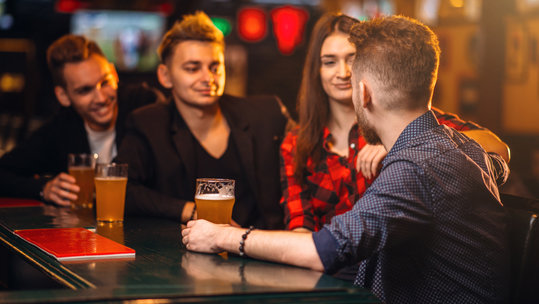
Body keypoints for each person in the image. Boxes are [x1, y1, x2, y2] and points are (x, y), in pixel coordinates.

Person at [182, 15, 510, 303]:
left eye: (351, 69)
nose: (342, 76)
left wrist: (221, 236)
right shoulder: (453, 144)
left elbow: (325, 250)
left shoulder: (413, 167)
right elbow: (496, 163)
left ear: (363, 93)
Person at [281, 13, 510, 232]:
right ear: (316, 71)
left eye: (352, 59)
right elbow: (299, 225)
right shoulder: (295, 143)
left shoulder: (405, 116)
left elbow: (498, 148)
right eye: (329, 62)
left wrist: (406, 140)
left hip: (391, 266)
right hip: (323, 260)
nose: (342, 72)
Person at [115, 11, 291, 228]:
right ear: (165, 76)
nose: (208, 78)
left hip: (263, 252)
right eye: (192, 68)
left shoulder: (266, 114)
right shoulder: (148, 123)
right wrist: (190, 210)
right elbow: (122, 190)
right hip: (187, 255)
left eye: (215, 67)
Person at [0, 34, 163, 206]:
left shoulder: (143, 103)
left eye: (105, 82)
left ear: (114, 74)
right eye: (85, 90)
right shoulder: (60, 130)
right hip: (85, 227)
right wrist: (43, 188)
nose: (100, 98)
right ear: (63, 96)